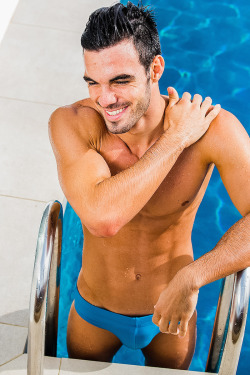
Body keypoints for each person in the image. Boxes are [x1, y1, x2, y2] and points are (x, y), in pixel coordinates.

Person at [49, 2, 250, 370]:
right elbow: (102, 219)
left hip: (171, 314)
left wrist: (194, 276)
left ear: (155, 68)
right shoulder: (73, 123)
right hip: (96, 310)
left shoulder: (215, 132)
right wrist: (174, 140)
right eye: (94, 81)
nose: (105, 99)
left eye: (120, 80)